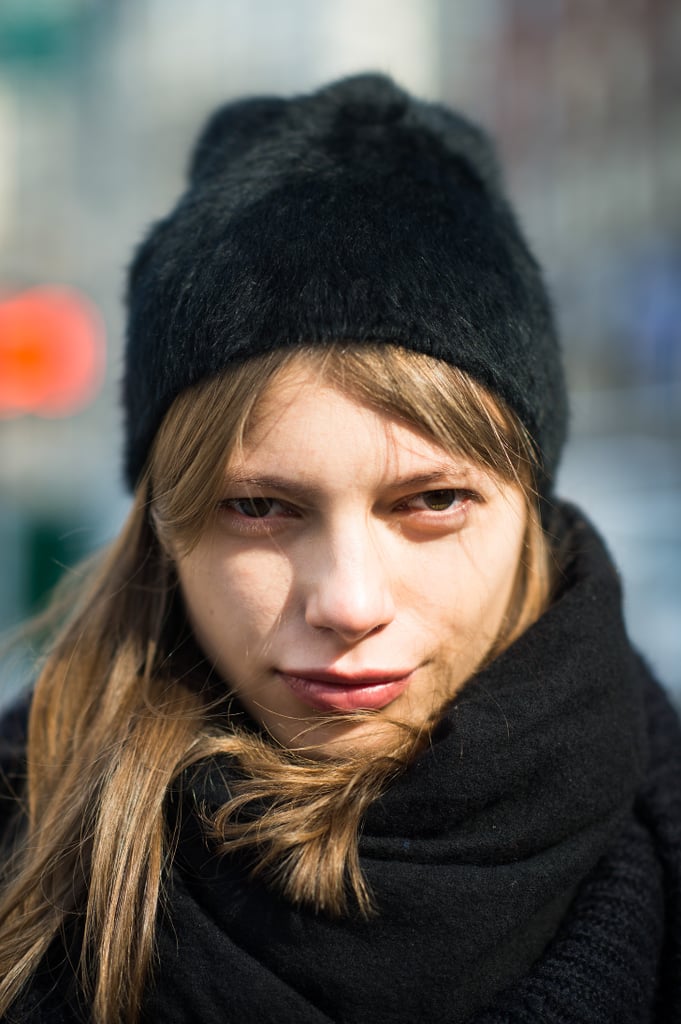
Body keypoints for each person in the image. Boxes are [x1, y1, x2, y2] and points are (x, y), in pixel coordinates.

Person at [0, 73, 679, 1024]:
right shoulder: (22, 873)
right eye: (259, 508)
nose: (349, 602)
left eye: (433, 500)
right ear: (165, 525)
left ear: (530, 506)